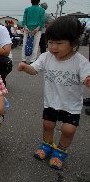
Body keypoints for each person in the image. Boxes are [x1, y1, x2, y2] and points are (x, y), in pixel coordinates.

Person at [17, 16, 90, 170]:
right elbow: (34, 70)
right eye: (50, 42)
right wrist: (25, 67)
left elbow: (86, 78)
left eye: (59, 43)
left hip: (71, 104)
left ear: (73, 43)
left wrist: (88, 81)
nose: (53, 47)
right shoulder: (46, 57)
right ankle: (47, 145)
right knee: (48, 124)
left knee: (68, 129)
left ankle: (61, 152)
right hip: (51, 102)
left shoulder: (80, 61)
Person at [21, 0, 45, 64]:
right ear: (39, 2)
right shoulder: (42, 10)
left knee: (25, 43)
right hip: (37, 30)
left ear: (31, 2)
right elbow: (42, 20)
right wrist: (37, 28)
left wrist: (25, 27)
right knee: (35, 45)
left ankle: (23, 59)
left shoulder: (27, 9)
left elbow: (24, 19)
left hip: (27, 29)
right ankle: (32, 60)